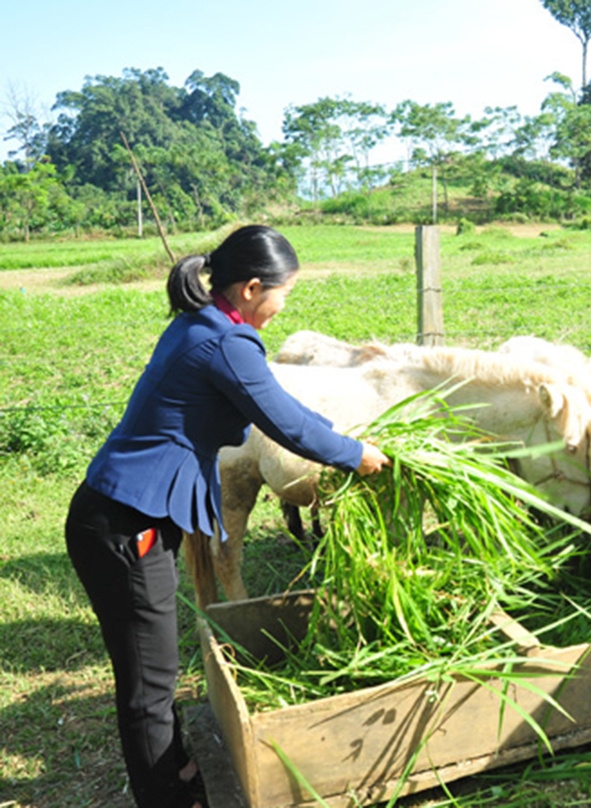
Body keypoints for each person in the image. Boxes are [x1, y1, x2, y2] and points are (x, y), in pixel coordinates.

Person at [64, 225, 390, 808]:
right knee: (150, 682)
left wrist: (338, 440)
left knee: (153, 671)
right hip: (124, 525)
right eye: (284, 293)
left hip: (127, 514)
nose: (285, 306)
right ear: (253, 287)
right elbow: (286, 422)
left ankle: (177, 771)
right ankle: (168, 795)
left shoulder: (204, 324)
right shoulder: (225, 343)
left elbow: (275, 409)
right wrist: (354, 453)